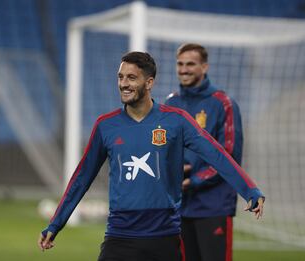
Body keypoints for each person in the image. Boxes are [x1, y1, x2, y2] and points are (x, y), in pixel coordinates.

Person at [38, 51, 265, 261]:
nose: (124, 84)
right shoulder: (106, 125)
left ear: (149, 83)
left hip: (164, 237)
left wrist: (249, 190)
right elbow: (81, 178)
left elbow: (216, 154)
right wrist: (55, 224)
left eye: (131, 78)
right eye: (120, 77)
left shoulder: (177, 120)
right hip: (119, 236)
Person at [165, 43, 245, 261]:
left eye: (190, 64)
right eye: (180, 64)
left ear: (205, 67)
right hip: (179, 208)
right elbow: (164, 149)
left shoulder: (224, 103)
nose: (184, 69)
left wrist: (194, 180)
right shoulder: (170, 103)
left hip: (213, 205)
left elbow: (229, 157)